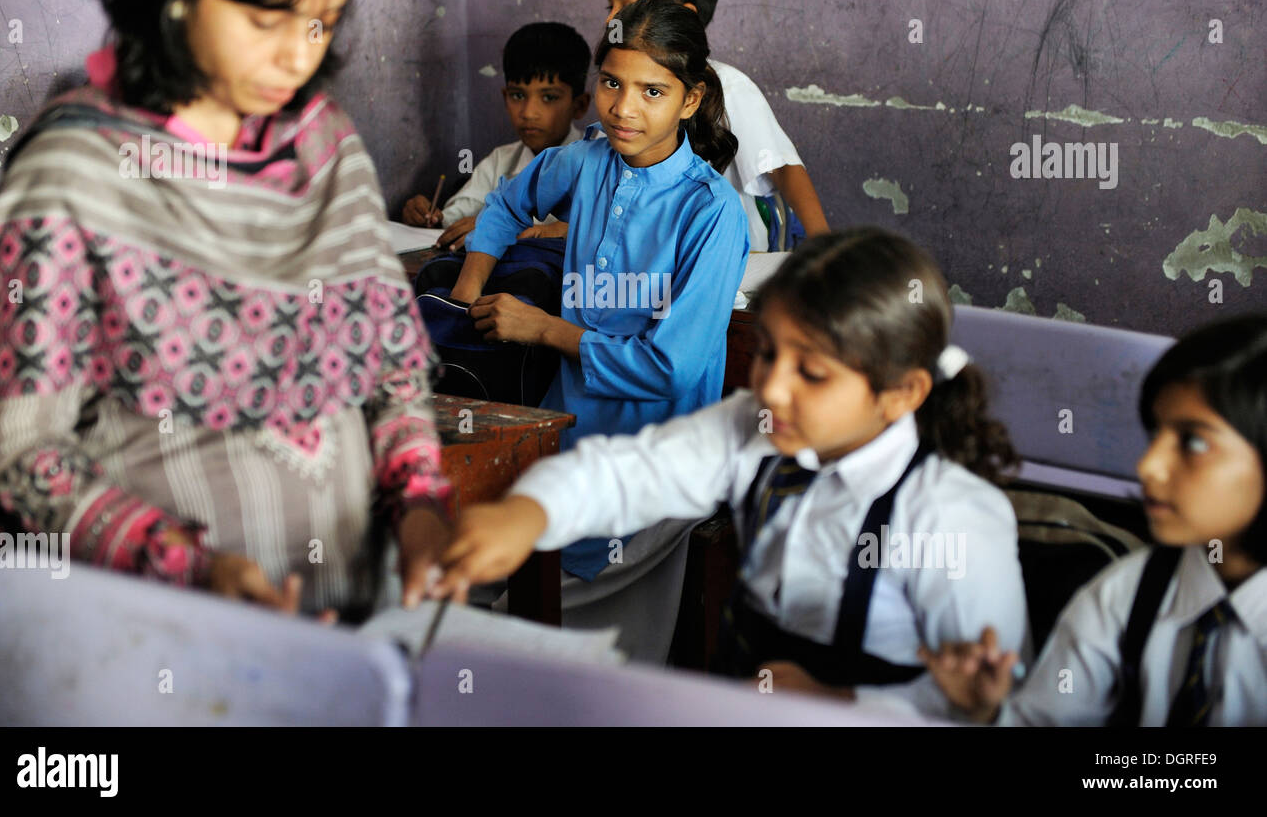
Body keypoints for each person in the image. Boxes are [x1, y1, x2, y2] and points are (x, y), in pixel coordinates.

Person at [0, 0, 454, 705]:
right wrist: (191, 566)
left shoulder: (325, 147)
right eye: (270, 19)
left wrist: (420, 504)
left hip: (338, 639)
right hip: (154, 651)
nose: (296, 56)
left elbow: (390, 373)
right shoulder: (73, 173)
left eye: (323, 24)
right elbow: (24, 449)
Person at [436, 228, 1029, 716]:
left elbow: (988, 704)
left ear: (901, 393)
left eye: (812, 374)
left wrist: (842, 701)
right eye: (769, 351)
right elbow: (629, 472)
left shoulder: (954, 519)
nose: (771, 385)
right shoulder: (757, 426)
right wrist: (526, 513)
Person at [445, 0, 750, 659]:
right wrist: (467, 289)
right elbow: (504, 203)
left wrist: (546, 330)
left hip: (659, 458)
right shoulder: (584, 162)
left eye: (652, 91)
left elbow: (672, 367)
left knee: (517, 636)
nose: (624, 108)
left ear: (691, 100)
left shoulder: (712, 212)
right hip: (565, 434)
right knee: (464, 577)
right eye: (612, 83)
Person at [922, 315, 1267, 726]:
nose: (1148, 465)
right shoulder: (1127, 593)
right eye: (1155, 433)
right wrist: (991, 715)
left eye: (1193, 441)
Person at [604, 0, 830, 251]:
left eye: (627, 5)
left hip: (731, 257)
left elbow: (782, 168)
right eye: (610, 4)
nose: (611, 18)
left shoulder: (725, 84)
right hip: (650, 257)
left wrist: (825, 248)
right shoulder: (616, 81)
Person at [400, 22, 591, 250]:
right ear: (504, 97)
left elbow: (593, 228)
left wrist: (495, 225)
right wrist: (430, 218)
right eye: (517, 95)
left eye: (549, 98)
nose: (529, 113)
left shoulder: (597, 162)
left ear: (579, 105)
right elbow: (459, 213)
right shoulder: (501, 161)